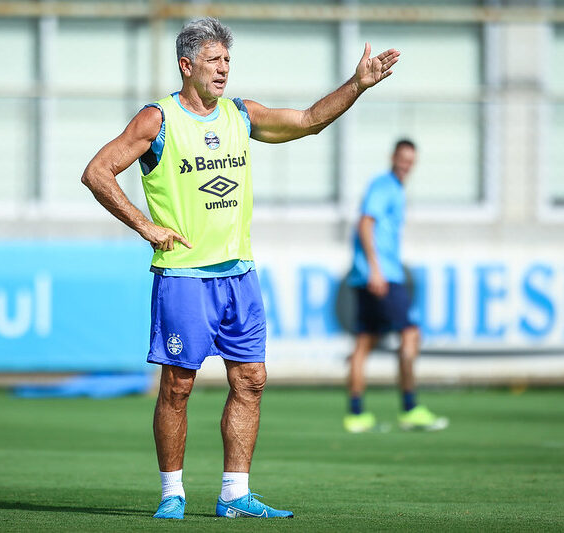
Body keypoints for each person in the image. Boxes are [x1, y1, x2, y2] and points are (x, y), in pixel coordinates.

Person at [81, 17, 399, 519]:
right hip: (185, 277)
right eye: (214, 60)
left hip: (239, 276)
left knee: (251, 379)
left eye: (228, 60)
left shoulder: (240, 115)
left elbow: (309, 120)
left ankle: (234, 494)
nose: (224, 68)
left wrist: (357, 84)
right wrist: (146, 227)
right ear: (186, 66)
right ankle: (172, 493)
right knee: (177, 387)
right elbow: (97, 172)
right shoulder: (156, 121)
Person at [343, 140, 448, 433]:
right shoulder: (384, 186)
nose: (406, 165)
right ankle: (410, 406)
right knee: (410, 333)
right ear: (393, 157)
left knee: (364, 342)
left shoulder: (394, 188)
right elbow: (365, 224)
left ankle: (356, 415)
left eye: (410, 161)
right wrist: (376, 269)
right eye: (403, 159)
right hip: (383, 275)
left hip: (367, 274)